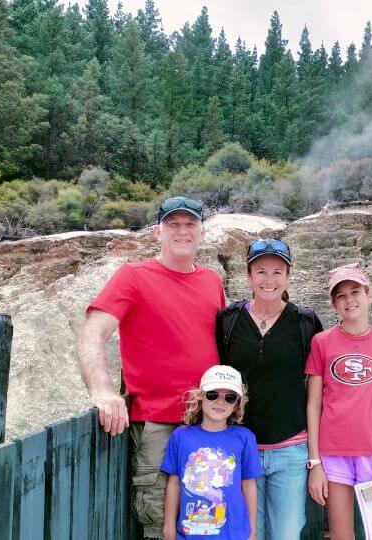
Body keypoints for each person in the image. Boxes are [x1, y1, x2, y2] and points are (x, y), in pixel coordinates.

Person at [77, 196, 226, 539]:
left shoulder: (212, 282)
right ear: (158, 232)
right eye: (173, 224)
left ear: (202, 233)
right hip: (158, 424)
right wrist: (101, 390)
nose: (182, 231)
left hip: (207, 423)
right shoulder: (133, 276)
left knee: (207, 520)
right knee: (161, 523)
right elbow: (93, 332)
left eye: (190, 224)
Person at [215, 239, 323, 539]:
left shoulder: (305, 321)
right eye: (260, 271)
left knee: (286, 534)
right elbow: (215, 380)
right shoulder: (228, 320)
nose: (269, 280)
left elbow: (322, 384)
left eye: (278, 272)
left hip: (290, 449)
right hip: (241, 448)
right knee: (248, 533)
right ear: (248, 276)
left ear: (288, 276)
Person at [306, 263, 372, 540]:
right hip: (333, 452)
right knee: (342, 536)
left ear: (369, 295)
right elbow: (313, 405)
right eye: (341, 295)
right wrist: (315, 463)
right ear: (333, 304)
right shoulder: (321, 342)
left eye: (355, 291)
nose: (349, 299)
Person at [161, 365, 261, 540]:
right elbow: (174, 483)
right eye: (213, 394)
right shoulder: (180, 436)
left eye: (230, 397)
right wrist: (169, 527)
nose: (220, 402)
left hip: (234, 534)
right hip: (190, 533)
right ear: (200, 397)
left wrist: (252, 531)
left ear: (237, 404)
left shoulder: (245, 438)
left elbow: (249, 485)